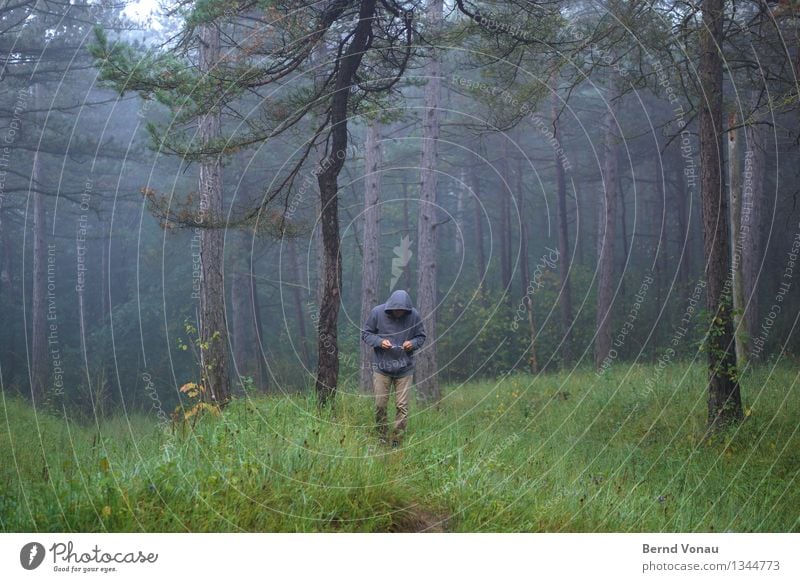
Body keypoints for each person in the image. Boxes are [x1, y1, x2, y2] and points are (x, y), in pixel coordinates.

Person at [361, 289, 426, 446]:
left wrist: (413, 343)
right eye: (396, 310)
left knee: (402, 406)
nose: (399, 312)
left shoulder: (414, 315)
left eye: (402, 310)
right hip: (382, 368)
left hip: (404, 368)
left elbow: (421, 336)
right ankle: (382, 437)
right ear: (390, 306)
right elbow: (366, 334)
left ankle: (397, 440)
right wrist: (379, 342)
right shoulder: (377, 312)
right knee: (380, 405)